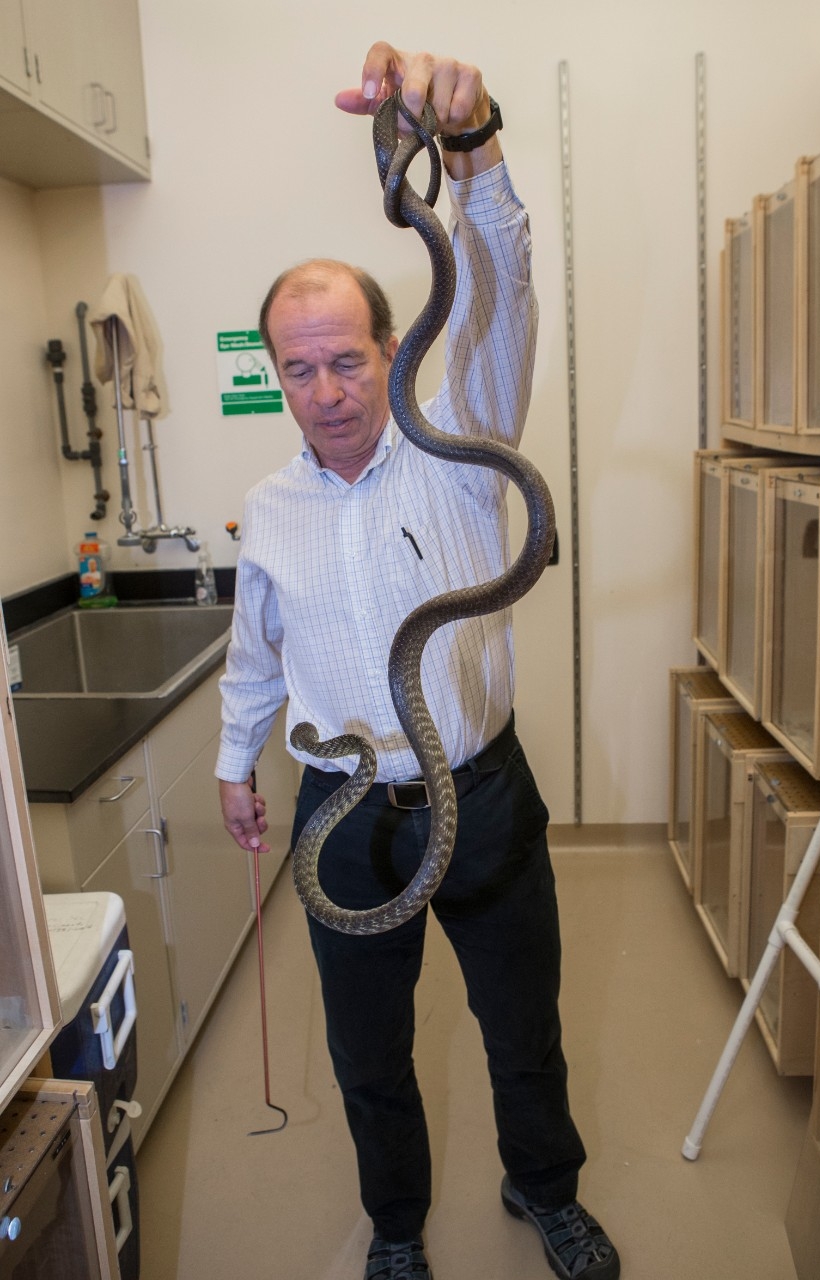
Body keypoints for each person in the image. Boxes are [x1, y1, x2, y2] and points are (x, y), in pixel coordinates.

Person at [216, 41, 620, 1280]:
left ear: (394, 348)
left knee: (521, 1024)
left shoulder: (463, 431)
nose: (328, 388)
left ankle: (542, 1185)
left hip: (480, 793)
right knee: (368, 1053)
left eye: (348, 356)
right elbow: (255, 655)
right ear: (275, 373)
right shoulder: (268, 507)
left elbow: (504, 281)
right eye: (300, 366)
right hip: (341, 809)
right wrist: (238, 763)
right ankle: (396, 1227)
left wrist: (473, 141)